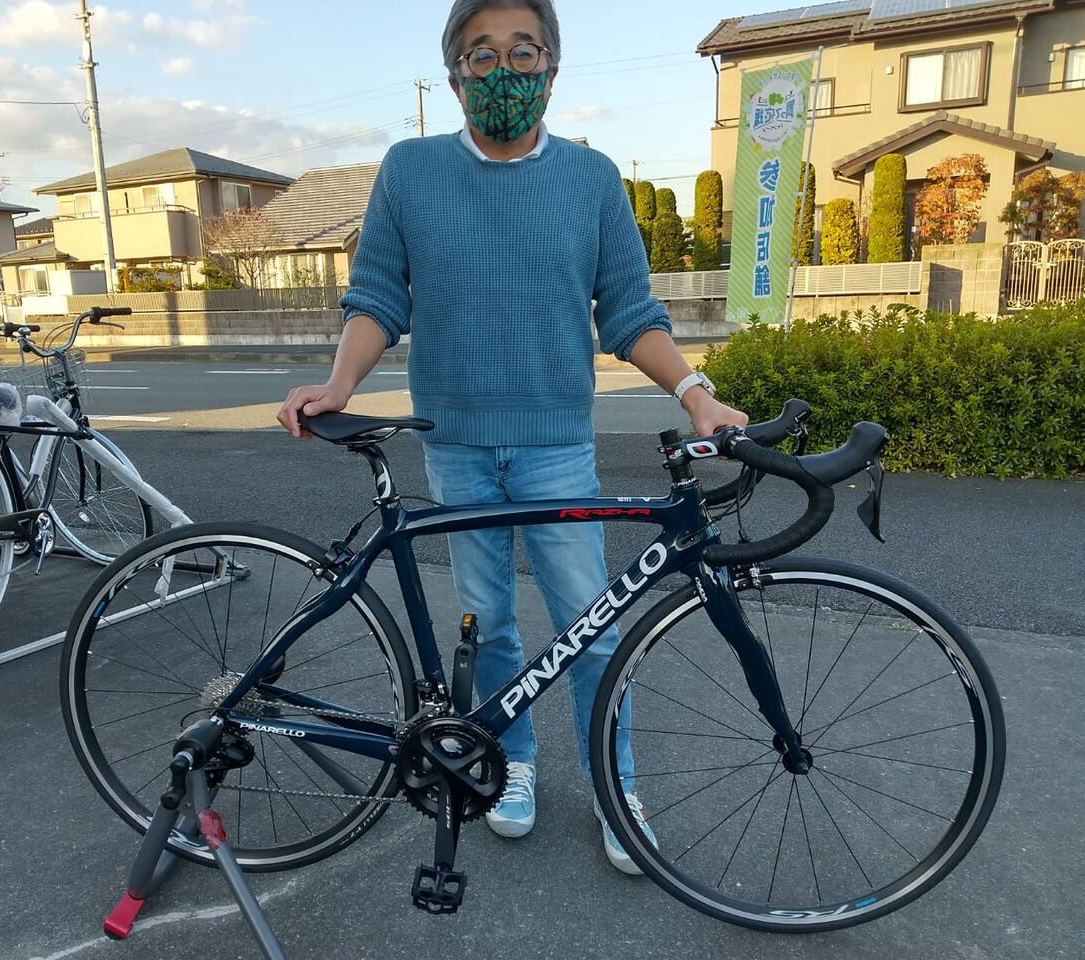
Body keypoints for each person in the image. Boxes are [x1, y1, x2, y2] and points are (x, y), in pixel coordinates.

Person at [277, 0, 748, 874]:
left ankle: (615, 785)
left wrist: (695, 394)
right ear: (455, 74)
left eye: (522, 52)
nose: (502, 70)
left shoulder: (590, 178)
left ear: (552, 69)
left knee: (592, 626)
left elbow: (630, 310)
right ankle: (509, 760)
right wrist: (340, 385)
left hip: (555, 444)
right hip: (455, 442)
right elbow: (377, 295)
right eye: (481, 54)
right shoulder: (411, 170)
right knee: (486, 623)